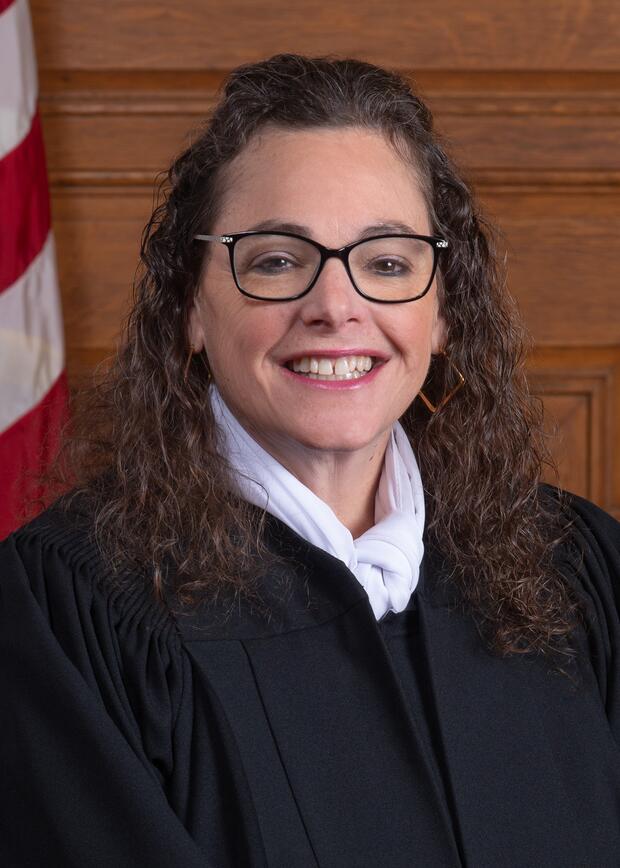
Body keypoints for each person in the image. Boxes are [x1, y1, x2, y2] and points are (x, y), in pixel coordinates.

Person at [1, 53, 620, 868]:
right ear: (190, 305)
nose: (337, 306)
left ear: (442, 314)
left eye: (388, 262)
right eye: (277, 260)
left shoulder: (575, 571)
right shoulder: (67, 616)